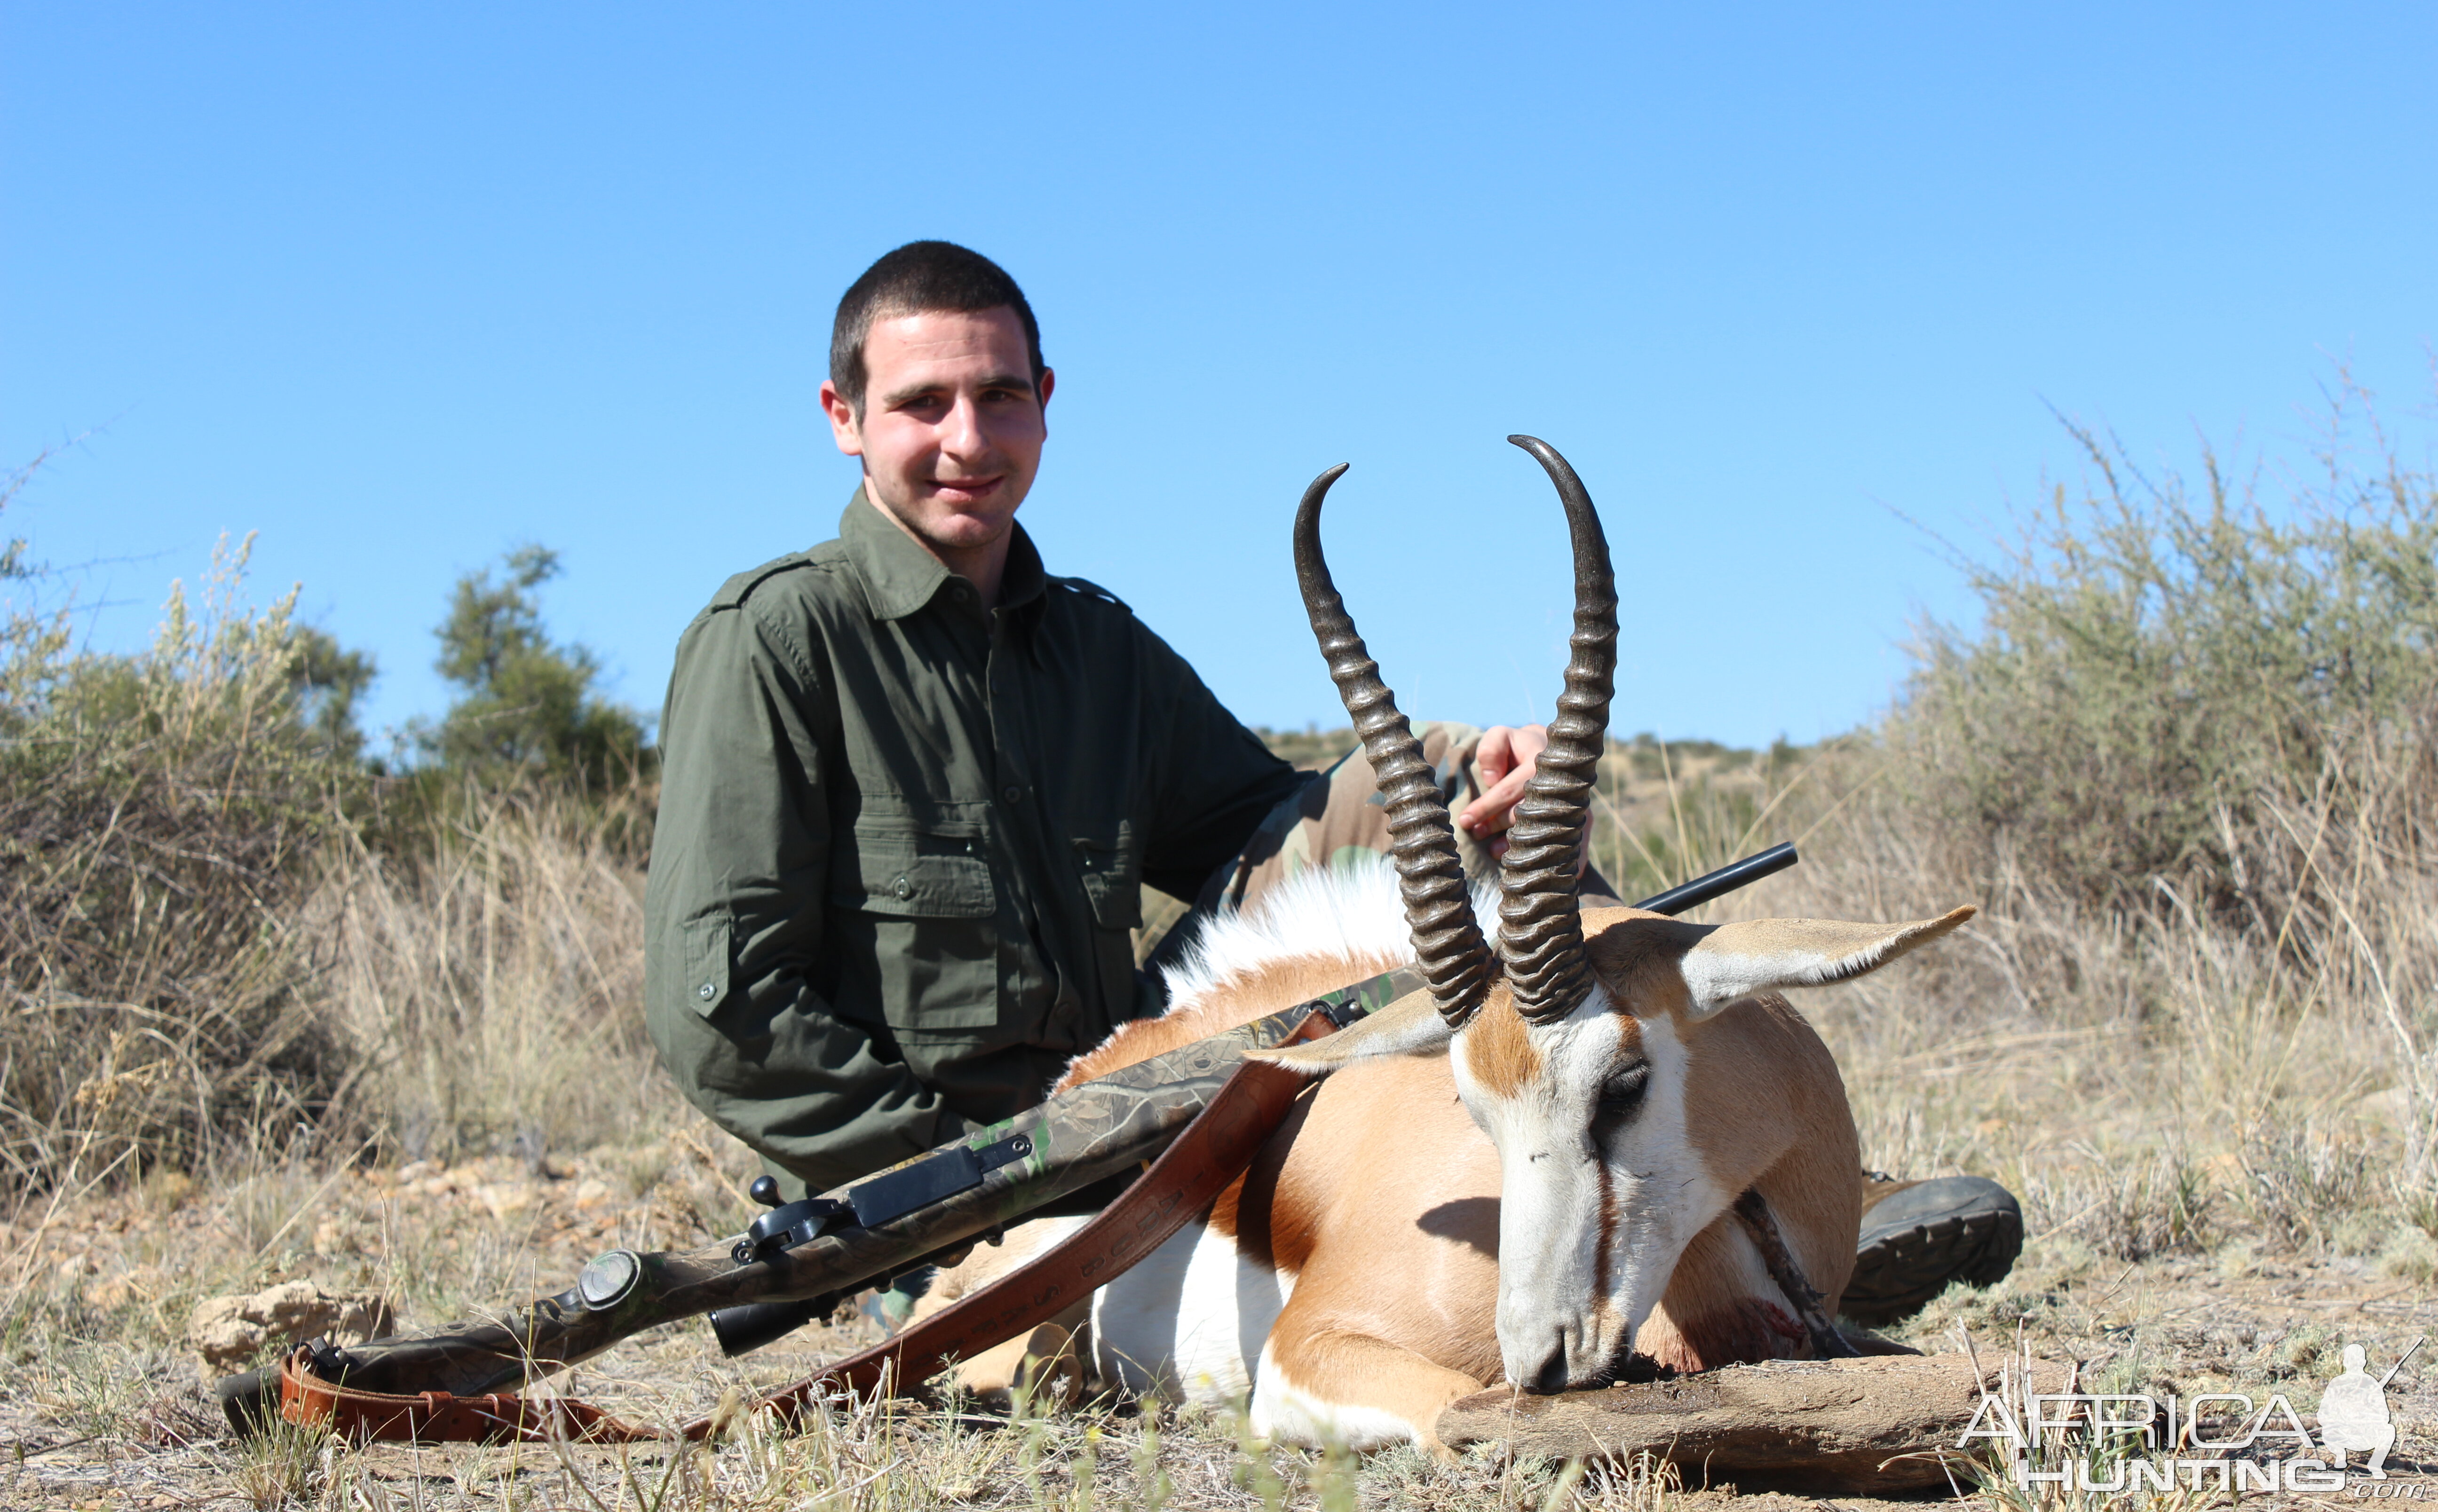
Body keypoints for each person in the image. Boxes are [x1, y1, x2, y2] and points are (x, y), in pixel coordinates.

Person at [642, 239, 2018, 1322]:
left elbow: (1267, 820)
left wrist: (1469, 771)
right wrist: (966, 1178)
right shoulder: (778, 641)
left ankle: (1757, 1195)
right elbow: (727, 1011)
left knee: (1455, 819)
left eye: (1000, 394)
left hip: (1130, 1083)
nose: (968, 436)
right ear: (842, 418)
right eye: (921, 403)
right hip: (958, 1171)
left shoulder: (1093, 640)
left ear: (1047, 404)